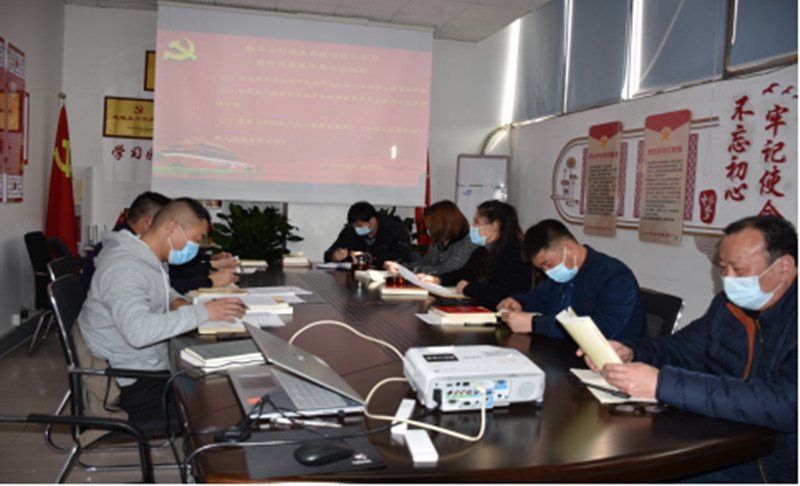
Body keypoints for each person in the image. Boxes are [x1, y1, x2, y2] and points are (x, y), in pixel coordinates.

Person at [580, 215, 797, 483]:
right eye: (723, 267)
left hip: (773, 464)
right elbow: (684, 347)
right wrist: (632, 351)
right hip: (722, 437)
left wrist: (661, 384)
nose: (728, 279)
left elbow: (785, 404)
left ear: (784, 267)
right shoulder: (728, 306)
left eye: (738, 270)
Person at [77, 198, 247, 430]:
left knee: (226, 373)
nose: (196, 247)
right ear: (171, 228)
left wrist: (176, 300)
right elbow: (138, 332)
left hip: (148, 367)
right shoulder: (124, 267)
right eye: (195, 239)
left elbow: (161, 290)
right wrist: (202, 312)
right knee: (226, 399)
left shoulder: (149, 257)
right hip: (130, 385)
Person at [498, 219, 647, 339]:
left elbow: (601, 329)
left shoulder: (615, 276)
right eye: (541, 268)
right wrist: (519, 302)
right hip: (563, 353)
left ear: (569, 249)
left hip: (612, 360)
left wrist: (537, 324)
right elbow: (539, 298)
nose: (547, 272)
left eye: (548, 264)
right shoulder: (563, 274)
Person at [430, 200, 532, 308]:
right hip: (478, 307)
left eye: (477, 222)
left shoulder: (514, 253)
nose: (473, 226)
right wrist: (438, 279)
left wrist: (469, 288)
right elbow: (463, 275)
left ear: (494, 226)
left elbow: (502, 292)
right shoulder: (481, 251)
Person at [323, 201, 411, 268]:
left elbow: (402, 257)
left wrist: (371, 258)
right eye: (354, 226)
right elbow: (328, 254)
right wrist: (334, 255)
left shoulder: (394, 230)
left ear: (373, 221)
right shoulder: (350, 232)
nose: (357, 229)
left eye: (360, 225)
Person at [410, 200, 477, 276]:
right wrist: (405, 267)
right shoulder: (439, 241)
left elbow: (447, 270)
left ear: (441, 224)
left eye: (430, 225)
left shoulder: (467, 243)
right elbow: (425, 262)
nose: (428, 228)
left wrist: (417, 269)